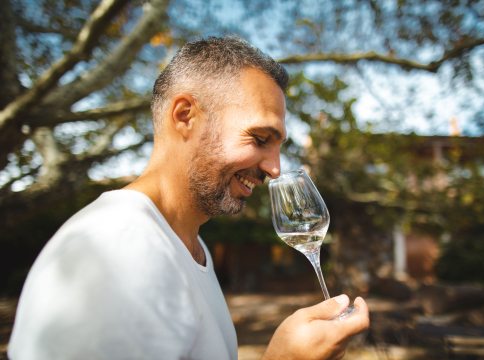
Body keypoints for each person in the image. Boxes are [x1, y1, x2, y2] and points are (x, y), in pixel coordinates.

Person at [8, 36, 369, 360]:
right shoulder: (116, 250)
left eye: (278, 146)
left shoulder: (190, 247)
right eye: (260, 139)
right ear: (185, 116)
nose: (275, 169)